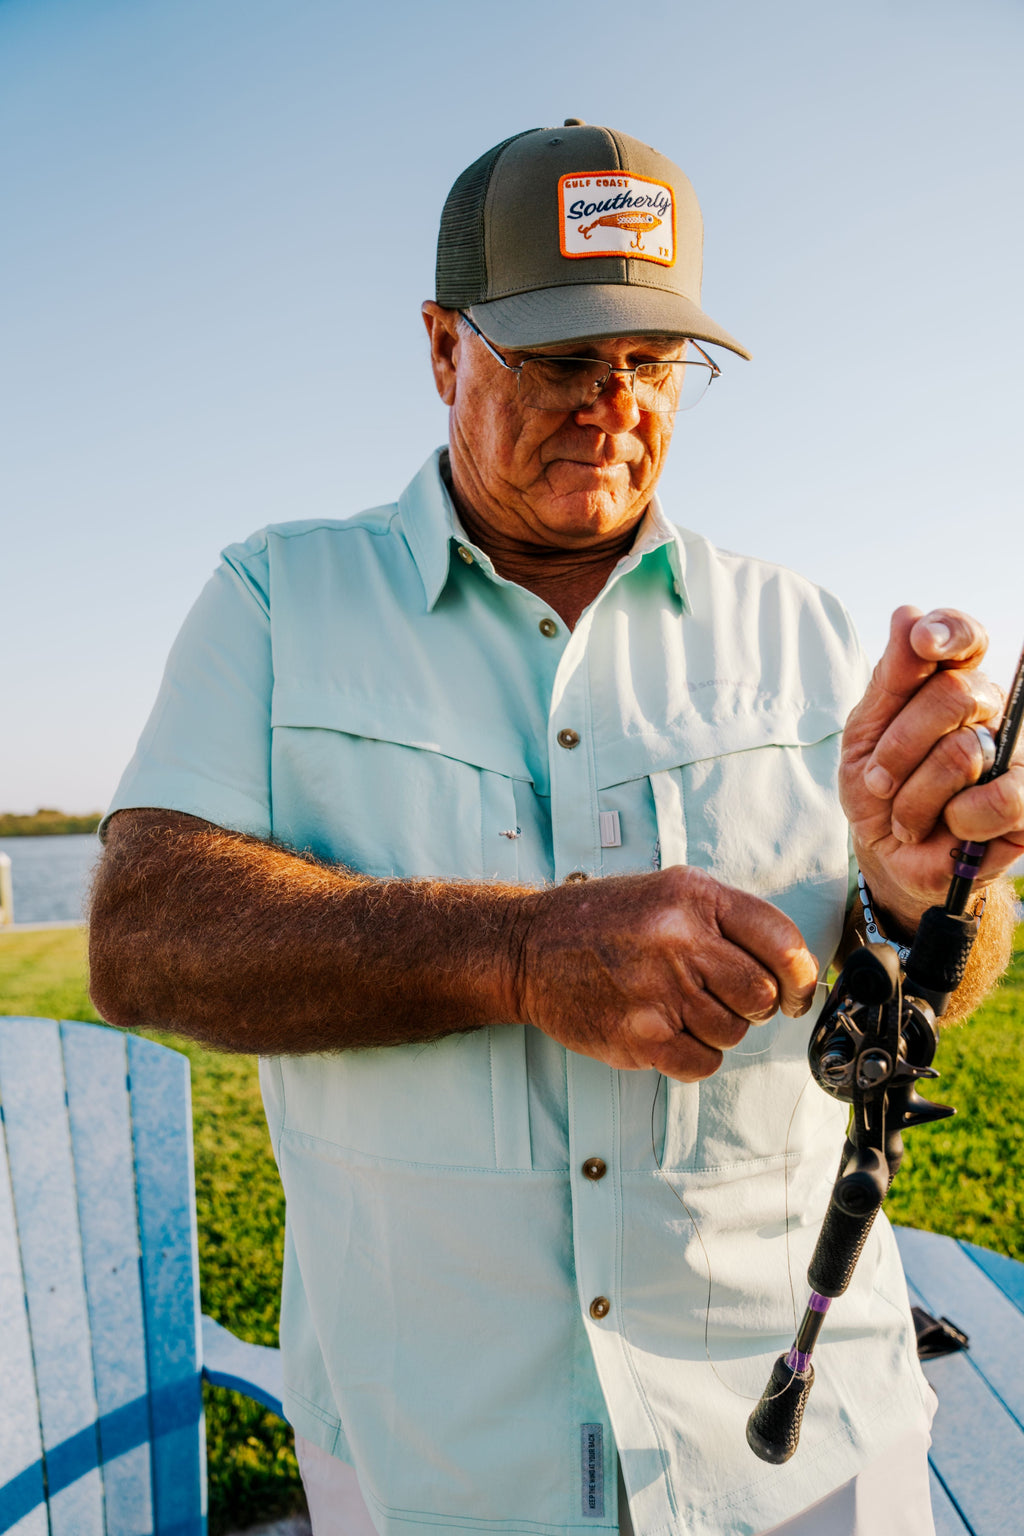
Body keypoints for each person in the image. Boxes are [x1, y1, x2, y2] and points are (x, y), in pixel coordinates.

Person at [89, 121, 1022, 1536]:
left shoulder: (806, 628)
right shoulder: (278, 600)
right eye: (561, 357)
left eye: (651, 361)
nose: (611, 405)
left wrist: (924, 899)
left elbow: (916, 995)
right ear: (441, 347)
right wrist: (519, 955)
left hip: (804, 1436)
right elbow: (141, 936)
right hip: (432, 1459)